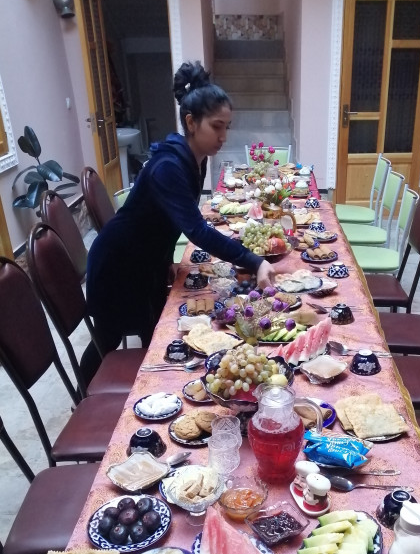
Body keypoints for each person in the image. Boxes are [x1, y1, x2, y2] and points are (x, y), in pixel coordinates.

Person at [81, 60, 275, 383]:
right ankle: (85, 394)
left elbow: (165, 219)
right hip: (119, 265)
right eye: (217, 126)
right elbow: (196, 230)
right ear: (191, 122)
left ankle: (152, 384)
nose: (223, 136)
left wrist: (164, 259)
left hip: (145, 259)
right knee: (109, 337)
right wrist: (254, 261)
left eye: (227, 127)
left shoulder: (195, 159)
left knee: (153, 330)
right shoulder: (168, 166)